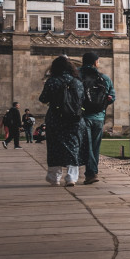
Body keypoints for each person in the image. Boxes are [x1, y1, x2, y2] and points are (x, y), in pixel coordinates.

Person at [39, 55, 85, 186]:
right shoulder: (78, 82)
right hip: (75, 119)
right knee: (73, 146)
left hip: (55, 118)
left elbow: (43, 99)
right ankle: (71, 177)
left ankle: (54, 178)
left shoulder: (52, 81)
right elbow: (83, 100)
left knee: (54, 147)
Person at [78, 51, 115, 186]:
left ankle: (90, 173)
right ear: (95, 62)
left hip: (81, 116)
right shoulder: (104, 78)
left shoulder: (77, 75)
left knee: (86, 145)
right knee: (94, 146)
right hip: (99, 117)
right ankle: (92, 172)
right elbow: (112, 97)